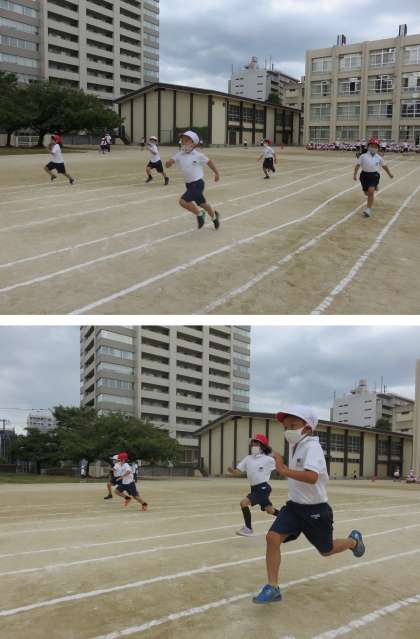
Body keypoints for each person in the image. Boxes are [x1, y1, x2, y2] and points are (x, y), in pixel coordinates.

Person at [253, 405, 365, 604]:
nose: (288, 430)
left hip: (316, 510)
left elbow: (312, 477)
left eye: (293, 425)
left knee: (326, 550)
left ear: (307, 428)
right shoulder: (296, 445)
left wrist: (284, 470)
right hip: (294, 507)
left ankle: (353, 541)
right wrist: (278, 459)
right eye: (286, 427)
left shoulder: (312, 447)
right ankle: (273, 587)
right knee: (272, 538)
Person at [165, 130, 221, 230]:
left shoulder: (198, 155)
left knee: (183, 201)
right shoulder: (179, 154)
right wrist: (168, 163)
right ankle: (214, 216)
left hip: (198, 184)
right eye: (182, 140)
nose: (184, 142)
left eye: (186, 140)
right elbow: (169, 163)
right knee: (203, 204)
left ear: (193, 143)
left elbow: (209, 162)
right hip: (189, 185)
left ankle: (200, 214)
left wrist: (216, 173)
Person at [227, 434, 280, 537]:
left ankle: (248, 529)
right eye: (252, 443)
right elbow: (238, 471)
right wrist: (232, 471)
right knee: (270, 510)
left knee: (243, 503)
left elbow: (281, 468)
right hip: (254, 489)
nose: (253, 445)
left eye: (256, 443)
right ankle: (290, 520)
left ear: (262, 446)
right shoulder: (248, 458)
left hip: (263, 488)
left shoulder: (268, 459)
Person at [353, 137, 393, 218]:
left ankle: (368, 209)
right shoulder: (363, 156)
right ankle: (374, 187)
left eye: (375, 147)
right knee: (366, 193)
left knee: (371, 192)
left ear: (378, 148)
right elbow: (357, 165)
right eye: (371, 146)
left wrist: (389, 174)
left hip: (374, 175)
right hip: (364, 176)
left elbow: (384, 166)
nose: (373, 148)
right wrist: (355, 175)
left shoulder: (379, 157)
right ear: (368, 147)